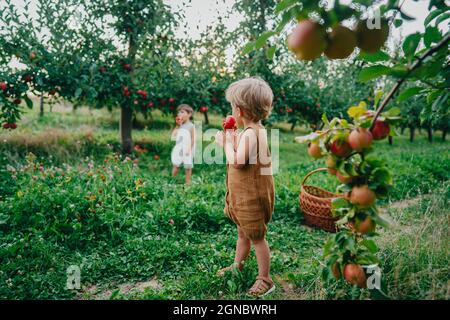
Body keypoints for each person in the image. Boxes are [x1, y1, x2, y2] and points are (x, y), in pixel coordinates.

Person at [214, 77, 276, 297]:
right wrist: (233, 137)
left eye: (233, 106)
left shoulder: (252, 133)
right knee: (243, 234)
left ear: (239, 110)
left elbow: (238, 161)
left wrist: (226, 144)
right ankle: (237, 265)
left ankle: (265, 279)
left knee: (257, 238)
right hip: (244, 197)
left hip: (252, 199)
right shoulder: (252, 131)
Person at [171, 104, 195, 185]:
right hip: (179, 148)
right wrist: (178, 125)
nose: (179, 114)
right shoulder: (180, 125)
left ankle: (187, 183)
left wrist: (189, 149)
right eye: (179, 113)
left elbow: (193, 138)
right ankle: (172, 180)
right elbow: (173, 136)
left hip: (187, 148)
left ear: (189, 114)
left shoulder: (191, 126)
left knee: (188, 166)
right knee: (176, 164)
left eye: (182, 112)